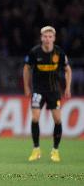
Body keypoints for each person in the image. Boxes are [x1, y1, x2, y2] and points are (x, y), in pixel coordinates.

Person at [23, 26, 72, 162]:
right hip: (38, 90)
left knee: (57, 119)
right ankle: (36, 149)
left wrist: (67, 87)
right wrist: (27, 86)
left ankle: (55, 150)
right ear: (41, 37)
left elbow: (68, 70)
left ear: (54, 38)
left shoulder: (59, 53)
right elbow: (26, 68)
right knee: (35, 118)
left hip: (54, 91)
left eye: (50, 36)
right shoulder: (35, 52)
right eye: (45, 36)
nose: (47, 39)